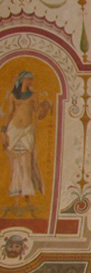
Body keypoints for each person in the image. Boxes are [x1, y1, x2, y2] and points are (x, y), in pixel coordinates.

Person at [0, 71, 48, 207]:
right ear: (21, 80)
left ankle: (27, 197)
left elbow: (38, 113)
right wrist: (3, 131)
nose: (30, 82)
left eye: (31, 80)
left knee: (26, 165)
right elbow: (9, 113)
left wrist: (45, 107)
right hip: (13, 131)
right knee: (15, 167)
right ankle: (15, 198)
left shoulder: (33, 96)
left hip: (27, 131)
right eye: (28, 79)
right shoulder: (13, 96)